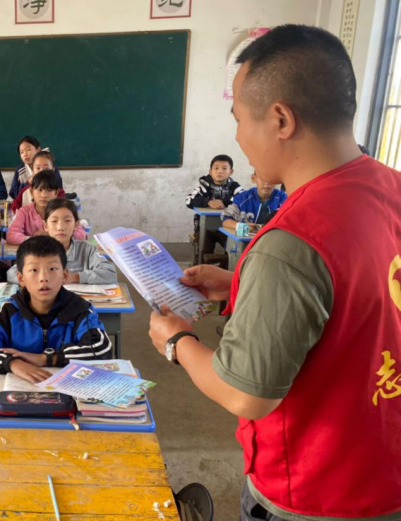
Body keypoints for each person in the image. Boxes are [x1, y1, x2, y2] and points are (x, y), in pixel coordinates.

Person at [148, 25, 401, 521]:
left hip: (316, 490)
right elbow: (360, 300)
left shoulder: (293, 240)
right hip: (385, 465)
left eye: (240, 119)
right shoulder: (390, 187)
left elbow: (247, 392)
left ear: (281, 119)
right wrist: (242, 282)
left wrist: (178, 342)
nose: (238, 136)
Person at [0, 236, 111, 383]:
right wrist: (13, 363)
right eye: (34, 270)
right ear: (21, 279)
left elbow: (101, 348)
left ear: (64, 275)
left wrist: (47, 359)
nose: (44, 278)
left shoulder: (80, 310)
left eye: (52, 269)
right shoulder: (10, 310)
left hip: (68, 388)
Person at [7, 199, 115, 284]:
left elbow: (110, 274)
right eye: (54, 221)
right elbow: (12, 273)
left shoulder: (86, 250)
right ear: (45, 226)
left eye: (67, 221)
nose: (60, 227)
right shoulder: (36, 250)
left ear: (76, 225)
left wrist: (75, 277)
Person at [7, 170, 85, 245]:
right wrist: (35, 239)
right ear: (31, 192)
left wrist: (51, 234)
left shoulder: (63, 211)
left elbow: (81, 235)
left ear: (56, 193)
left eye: (49, 190)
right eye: (39, 190)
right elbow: (11, 235)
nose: (44, 195)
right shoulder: (24, 211)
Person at [222, 172, 287, 233]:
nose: (267, 183)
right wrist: (243, 227)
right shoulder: (241, 198)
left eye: (271, 179)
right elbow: (226, 220)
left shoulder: (284, 199)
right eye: (262, 178)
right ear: (253, 178)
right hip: (245, 242)